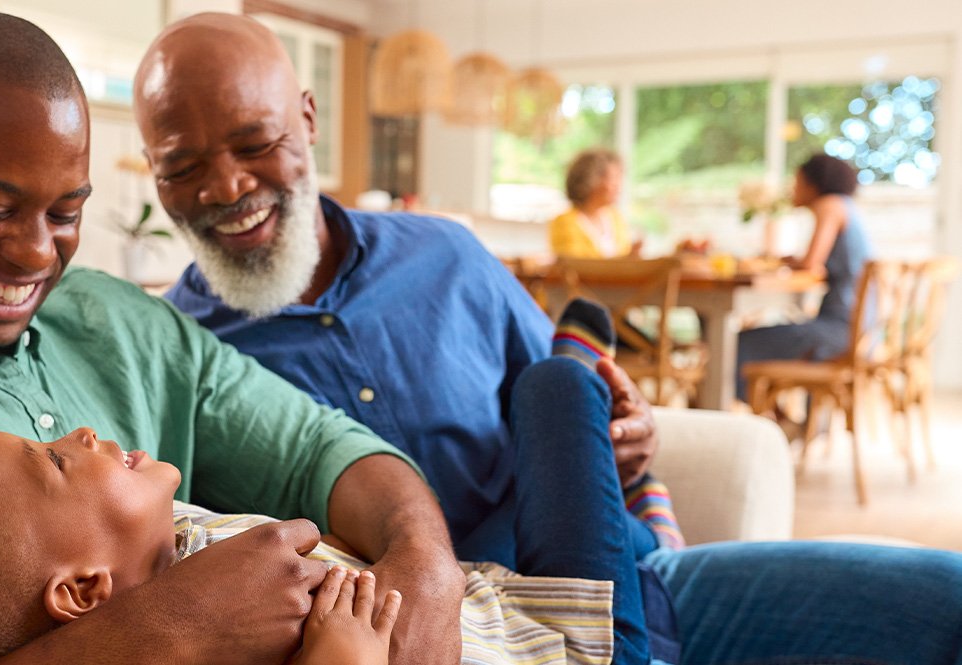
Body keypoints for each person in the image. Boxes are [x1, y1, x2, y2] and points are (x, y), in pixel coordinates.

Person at [147, 13, 962, 665]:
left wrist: (628, 431)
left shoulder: (448, 257)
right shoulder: (175, 353)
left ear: (309, 118)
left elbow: (576, 427)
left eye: (255, 143)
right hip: (473, 638)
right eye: (181, 165)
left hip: (635, 585)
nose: (225, 186)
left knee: (945, 600)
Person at [0, 10, 467, 664]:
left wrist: (429, 569)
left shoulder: (122, 320)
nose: (36, 253)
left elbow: (318, 448)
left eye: (65, 212)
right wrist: (173, 626)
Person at [0, 425, 623, 664]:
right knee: (561, 385)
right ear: (81, 591)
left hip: (506, 593)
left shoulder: (165, 533)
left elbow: (324, 446)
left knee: (561, 391)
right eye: (51, 459)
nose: (77, 430)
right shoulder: (223, 644)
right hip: (576, 640)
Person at [735, 153, 873, 401]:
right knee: (756, 339)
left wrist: (784, 261)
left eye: (797, 182)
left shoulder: (829, 205)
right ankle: (777, 418)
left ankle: (763, 420)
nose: (793, 188)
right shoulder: (846, 206)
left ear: (814, 183)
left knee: (736, 343)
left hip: (840, 330)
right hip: (865, 331)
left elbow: (811, 263)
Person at [549, 148, 640, 259]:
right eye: (613, 178)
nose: (618, 186)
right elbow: (575, 265)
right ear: (591, 180)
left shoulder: (616, 218)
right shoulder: (564, 222)